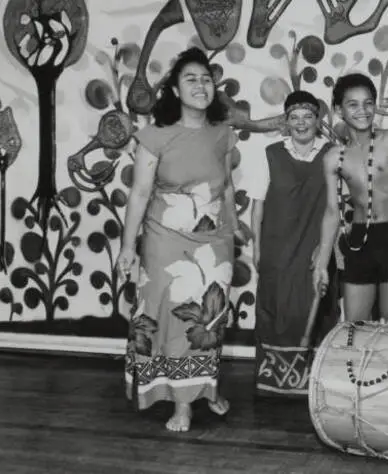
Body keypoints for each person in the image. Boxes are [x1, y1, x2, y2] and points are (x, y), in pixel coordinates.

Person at [116, 47, 244, 432]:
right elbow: (139, 193)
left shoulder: (223, 134)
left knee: (208, 321)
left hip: (213, 243)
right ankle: (181, 405)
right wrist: (126, 246)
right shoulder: (155, 136)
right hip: (163, 241)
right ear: (173, 88)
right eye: (191, 79)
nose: (201, 85)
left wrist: (235, 228)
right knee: (170, 323)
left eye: (206, 79)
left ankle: (206, 390)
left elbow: (225, 188)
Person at [248, 90, 340, 398]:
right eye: (294, 118)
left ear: (318, 120)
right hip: (277, 245)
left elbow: (336, 207)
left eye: (308, 117)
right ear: (286, 122)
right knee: (277, 307)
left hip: (315, 245)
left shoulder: (332, 152)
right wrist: (257, 248)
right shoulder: (270, 152)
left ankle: (315, 380)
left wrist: (327, 248)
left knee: (314, 305)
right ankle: (275, 380)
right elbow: (257, 206)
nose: (301, 124)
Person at [312, 73, 388, 323]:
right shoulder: (333, 157)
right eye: (353, 104)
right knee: (354, 326)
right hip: (358, 241)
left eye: (368, 103)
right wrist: (322, 264)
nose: (363, 110)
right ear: (339, 110)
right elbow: (331, 211)